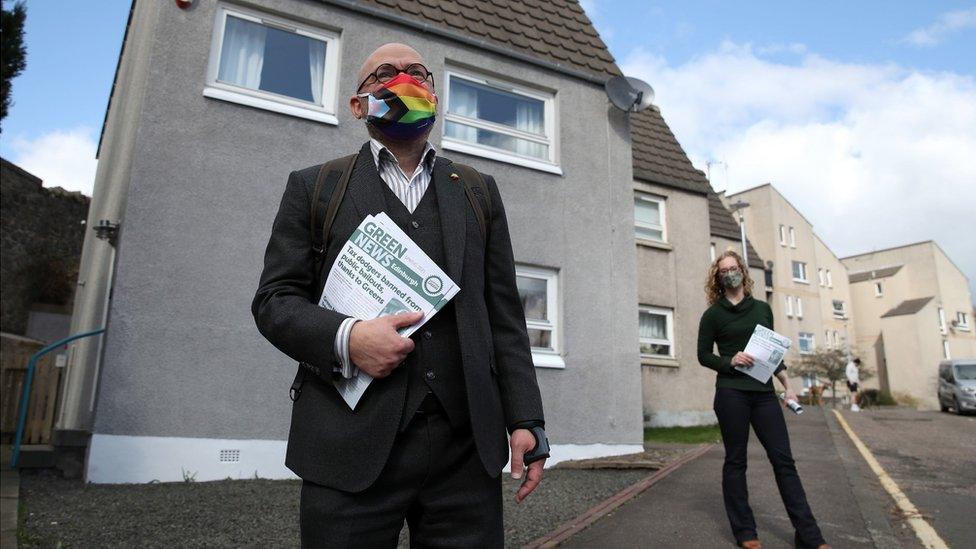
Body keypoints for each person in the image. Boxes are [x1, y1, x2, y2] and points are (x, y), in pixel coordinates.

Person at [252, 43, 547, 548]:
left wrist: (526, 418)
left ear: (433, 94)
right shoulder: (314, 187)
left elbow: (504, 317)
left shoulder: (478, 191)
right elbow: (275, 301)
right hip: (347, 446)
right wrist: (347, 338)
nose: (404, 81)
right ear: (357, 104)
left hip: (464, 451)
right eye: (384, 74)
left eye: (417, 73)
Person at [697, 251, 829, 549]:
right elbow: (703, 355)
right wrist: (730, 361)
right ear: (718, 278)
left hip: (763, 394)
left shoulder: (762, 309)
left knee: (784, 461)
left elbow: (772, 354)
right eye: (724, 271)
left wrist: (788, 386)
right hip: (731, 393)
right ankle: (745, 532)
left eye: (733, 268)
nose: (730, 273)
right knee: (736, 460)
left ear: (742, 271)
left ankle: (809, 536)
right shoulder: (713, 315)